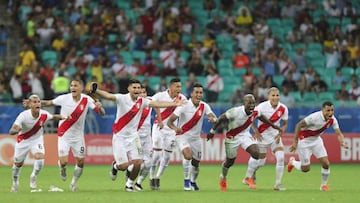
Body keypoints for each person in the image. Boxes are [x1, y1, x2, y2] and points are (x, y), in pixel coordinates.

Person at [93, 79, 183, 192]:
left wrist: (173, 104)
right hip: (119, 136)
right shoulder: (122, 98)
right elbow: (108, 96)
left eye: (138, 88)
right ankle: (115, 166)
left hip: (133, 136)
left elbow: (157, 104)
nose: (136, 90)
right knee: (124, 166)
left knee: (138, 163)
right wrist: (97, 91)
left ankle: (129, 185)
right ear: (129, 89)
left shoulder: (142, 101)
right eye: (134, 88)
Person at [39, 79, 106, 192]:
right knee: (64, 161)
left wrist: (100, 107)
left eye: (75, 85)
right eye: (71, 86)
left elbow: (102, 113)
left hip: (78, 137)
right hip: (63, 134)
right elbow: (49, 103)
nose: (73, 88)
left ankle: (73, 183)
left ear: (81, 88)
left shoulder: (87, 99)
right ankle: (62, 168)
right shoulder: (64, 98)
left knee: (80, 162)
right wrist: (35, 102)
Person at [207, 94, 283, 191]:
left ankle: (248, 178)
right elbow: (222, 118)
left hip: (245, 135)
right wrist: (212, 131)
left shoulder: (255, 111)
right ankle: (223, 177)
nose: (252, 105)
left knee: (256, 152)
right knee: (229, 162)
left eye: (253, 103)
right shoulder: (235, 112)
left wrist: (273, 126)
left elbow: (261, 117)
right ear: (244, 103)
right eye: (249, 103)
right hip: (232, 137)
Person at [10, 94, 69, 192]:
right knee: (17, 165)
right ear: (29, 104)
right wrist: (16, 130)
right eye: (35, 102)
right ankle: (15, 182)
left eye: (38, 102)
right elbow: (12, 130)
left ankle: (33, 176)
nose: (38, 104)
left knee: (40, 159)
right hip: (23, 141)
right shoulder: (23, 116)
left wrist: (65, 117)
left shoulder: (44, 114)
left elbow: (54, 117)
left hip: (36, 140)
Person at [287, 101, 349, 191]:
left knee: (326, 163)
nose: (330, 113)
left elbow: (338, 133)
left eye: (332, 110)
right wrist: (295, 142)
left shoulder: (333, 120)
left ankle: (323, 185)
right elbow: (298, 125)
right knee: (305, 169)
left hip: (316, 140)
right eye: (328, 110)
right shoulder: (314, 117)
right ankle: (292, 162)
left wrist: (342, 142)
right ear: (323, 110)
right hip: (304, 141)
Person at [167, 83, 217, 191]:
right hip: (182, 136)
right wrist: (176, 129)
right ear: (191, 94)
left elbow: (213, 116)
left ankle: (193, 181)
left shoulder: (204, 106)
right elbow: (170, 122)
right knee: (188, 155)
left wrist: (213, 119)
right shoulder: (184, 105)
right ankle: (186, 181)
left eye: (200, 93)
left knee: (196, 163)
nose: (199, 95)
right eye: (196, 92)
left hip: (196, 139)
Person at [243, 87, 289, 191]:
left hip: (274, 137)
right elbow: (251, 119)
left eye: (277, 95)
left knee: (281, 158)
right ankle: (250, 174)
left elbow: (285, 123)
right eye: (273, 95)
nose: (275, 97)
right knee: (261, 162)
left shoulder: (283, 108)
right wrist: (256, 131)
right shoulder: (261, 107)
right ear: (268, 96)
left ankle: (277, 184)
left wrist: (280, 133)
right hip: (262, 137)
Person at [149, 78, 187, 190]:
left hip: (171, 130)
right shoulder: (160, 95)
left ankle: (157, 177)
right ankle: (151, 176)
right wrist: (160, 120)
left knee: (166, 157)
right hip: (158, 127)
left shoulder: (182, 98)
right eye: (177, 87)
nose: (179, 89)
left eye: (180, 86)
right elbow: (153, 104)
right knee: (156, 154)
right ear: (170, 87)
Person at [132, 85, 160, 191]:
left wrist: (160, 120)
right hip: (136, 136)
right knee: (137, 163)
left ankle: (138, 183)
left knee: (148, 163)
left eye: (144, 92)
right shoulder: (133, 104)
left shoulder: (149, 101)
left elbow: (157, 105)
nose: (143, 94)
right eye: (141, 93)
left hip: (147, 137)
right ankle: (128, 180)